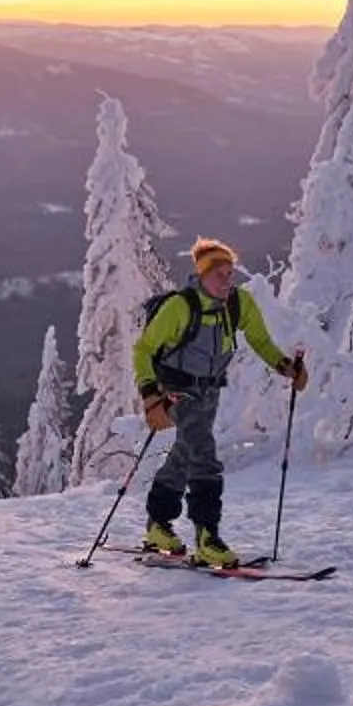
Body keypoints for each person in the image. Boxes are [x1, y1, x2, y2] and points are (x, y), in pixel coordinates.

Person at [134, 236, 306, 566]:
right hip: (177, 388)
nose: (227, 280)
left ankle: (158, 524)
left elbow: (259, 340)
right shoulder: (180, 307)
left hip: (210, 390)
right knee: (203, 454)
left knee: (186, 452)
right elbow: (143, 350)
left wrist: (286, 366)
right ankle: (207, 536)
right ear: (201, 275)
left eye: (230, 273)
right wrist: (150, 397)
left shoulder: (238, 303)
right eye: (219, 274)